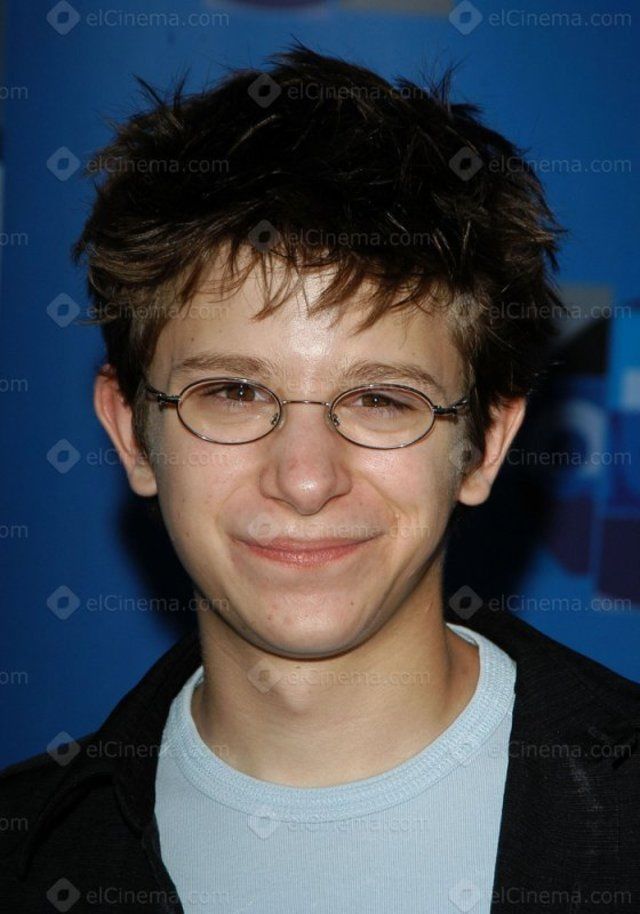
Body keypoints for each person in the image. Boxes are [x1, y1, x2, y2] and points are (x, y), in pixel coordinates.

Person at [1, 42, 639, 914]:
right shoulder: (24, 853)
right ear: (131, 434)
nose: (305, 481)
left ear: (486, 444)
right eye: (233, 393)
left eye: (381, 400)